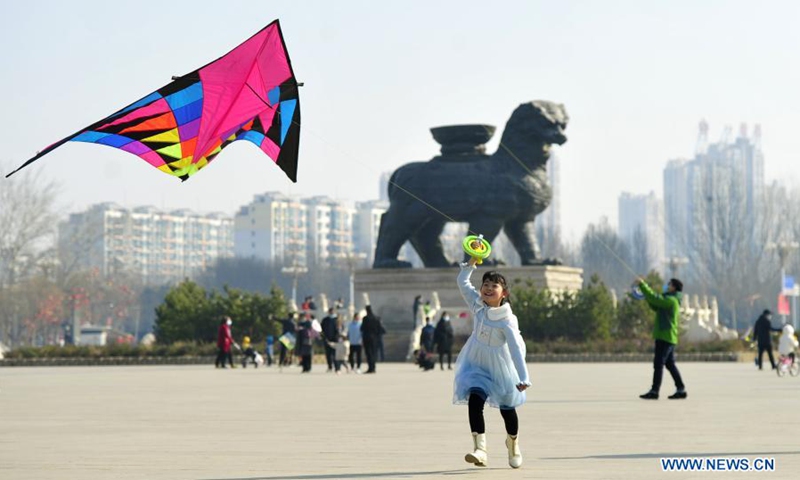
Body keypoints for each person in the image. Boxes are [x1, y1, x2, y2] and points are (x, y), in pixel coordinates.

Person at [454, 256, 530, 469]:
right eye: (485, 284)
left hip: (501, 367)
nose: (488, 288)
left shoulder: (507, 320)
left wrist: (524, 376)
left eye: (494, 285)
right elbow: (462, 282)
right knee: (475, 401)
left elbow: (515, 349)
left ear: (503, 293)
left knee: (507, 409)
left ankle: (513, 443)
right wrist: (471, 263)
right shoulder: (477, 305)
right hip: (476, 364)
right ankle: (481, 450)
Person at [637, 278, 687, 400]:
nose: (667, 286)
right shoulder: (669, 300)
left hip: (665, 337)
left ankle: (655, 391)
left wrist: (643, 285)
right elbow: (655, 305)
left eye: (669, 284)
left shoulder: (671, 300)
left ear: (674, 287)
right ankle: (681, 389)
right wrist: (646, 296)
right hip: (667, 336)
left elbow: (656, 299)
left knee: (658, 364)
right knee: (670, 364)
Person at [361, 305, 386, 374]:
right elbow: (380, 328)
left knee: (369, 353)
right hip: (375, 338)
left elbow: (362, 328)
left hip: (367, 338)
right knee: (374, 353)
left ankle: (370, 368)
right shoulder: (377, 318)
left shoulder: (365, 318)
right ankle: (373, 367)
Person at [321, 308, 339, 372]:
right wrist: (324, 337)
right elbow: (322, 329)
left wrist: (336, 338)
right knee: (328, 354)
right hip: (327, 340)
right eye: (330, 311)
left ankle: (337, 367)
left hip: (335, 340)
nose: (331, 312)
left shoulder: (337, 320)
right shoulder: (325, 320)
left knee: (335, 354)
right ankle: (330, 366)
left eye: (332, 311)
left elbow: (338, 330)